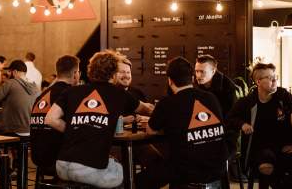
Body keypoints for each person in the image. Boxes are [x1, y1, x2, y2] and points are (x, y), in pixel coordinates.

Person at [45, 50, 152, 188]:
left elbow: (50, 119)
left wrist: (75, 131)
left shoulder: (72, 91)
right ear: (113, 73)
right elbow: (147, 110)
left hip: (61, 166)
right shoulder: (119, 93)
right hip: (88, 169)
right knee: (124, 173)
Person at [140, 56, 228, 189]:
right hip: (217, 175)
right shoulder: (211, 98)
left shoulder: (167, 103)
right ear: (192, 78)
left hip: (186, 176)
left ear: (170, 81)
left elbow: (150, 131)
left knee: (141, 180)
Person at [227, 63, 292, 188]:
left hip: (283, 146)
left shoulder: (283, 96)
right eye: (269, 77)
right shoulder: (247, 102)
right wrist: (242, 124)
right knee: (266, 163)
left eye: (275, 76)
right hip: (258, 149)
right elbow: (229, 119)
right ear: (258, 81)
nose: (274, 80)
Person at [30, 55, 81, 176]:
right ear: (75, 73)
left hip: (38, 158)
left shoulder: (41, 96)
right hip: (60, 160)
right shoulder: (72, 94)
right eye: (79, 72)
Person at [0, 60, 39, 136]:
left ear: (14, 72)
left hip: (14, 130)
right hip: (31, 130)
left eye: (9, 71)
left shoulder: (11, 83)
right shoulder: (35, 87)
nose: (8, 74)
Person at [115, 58, 153, 124]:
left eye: (128, 72)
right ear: (113, 74)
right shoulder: (109, 94)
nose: (126, 75)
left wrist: (141, 118)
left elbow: (150, 116)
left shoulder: (138, 93)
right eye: (122, 72)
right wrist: (123, 120)